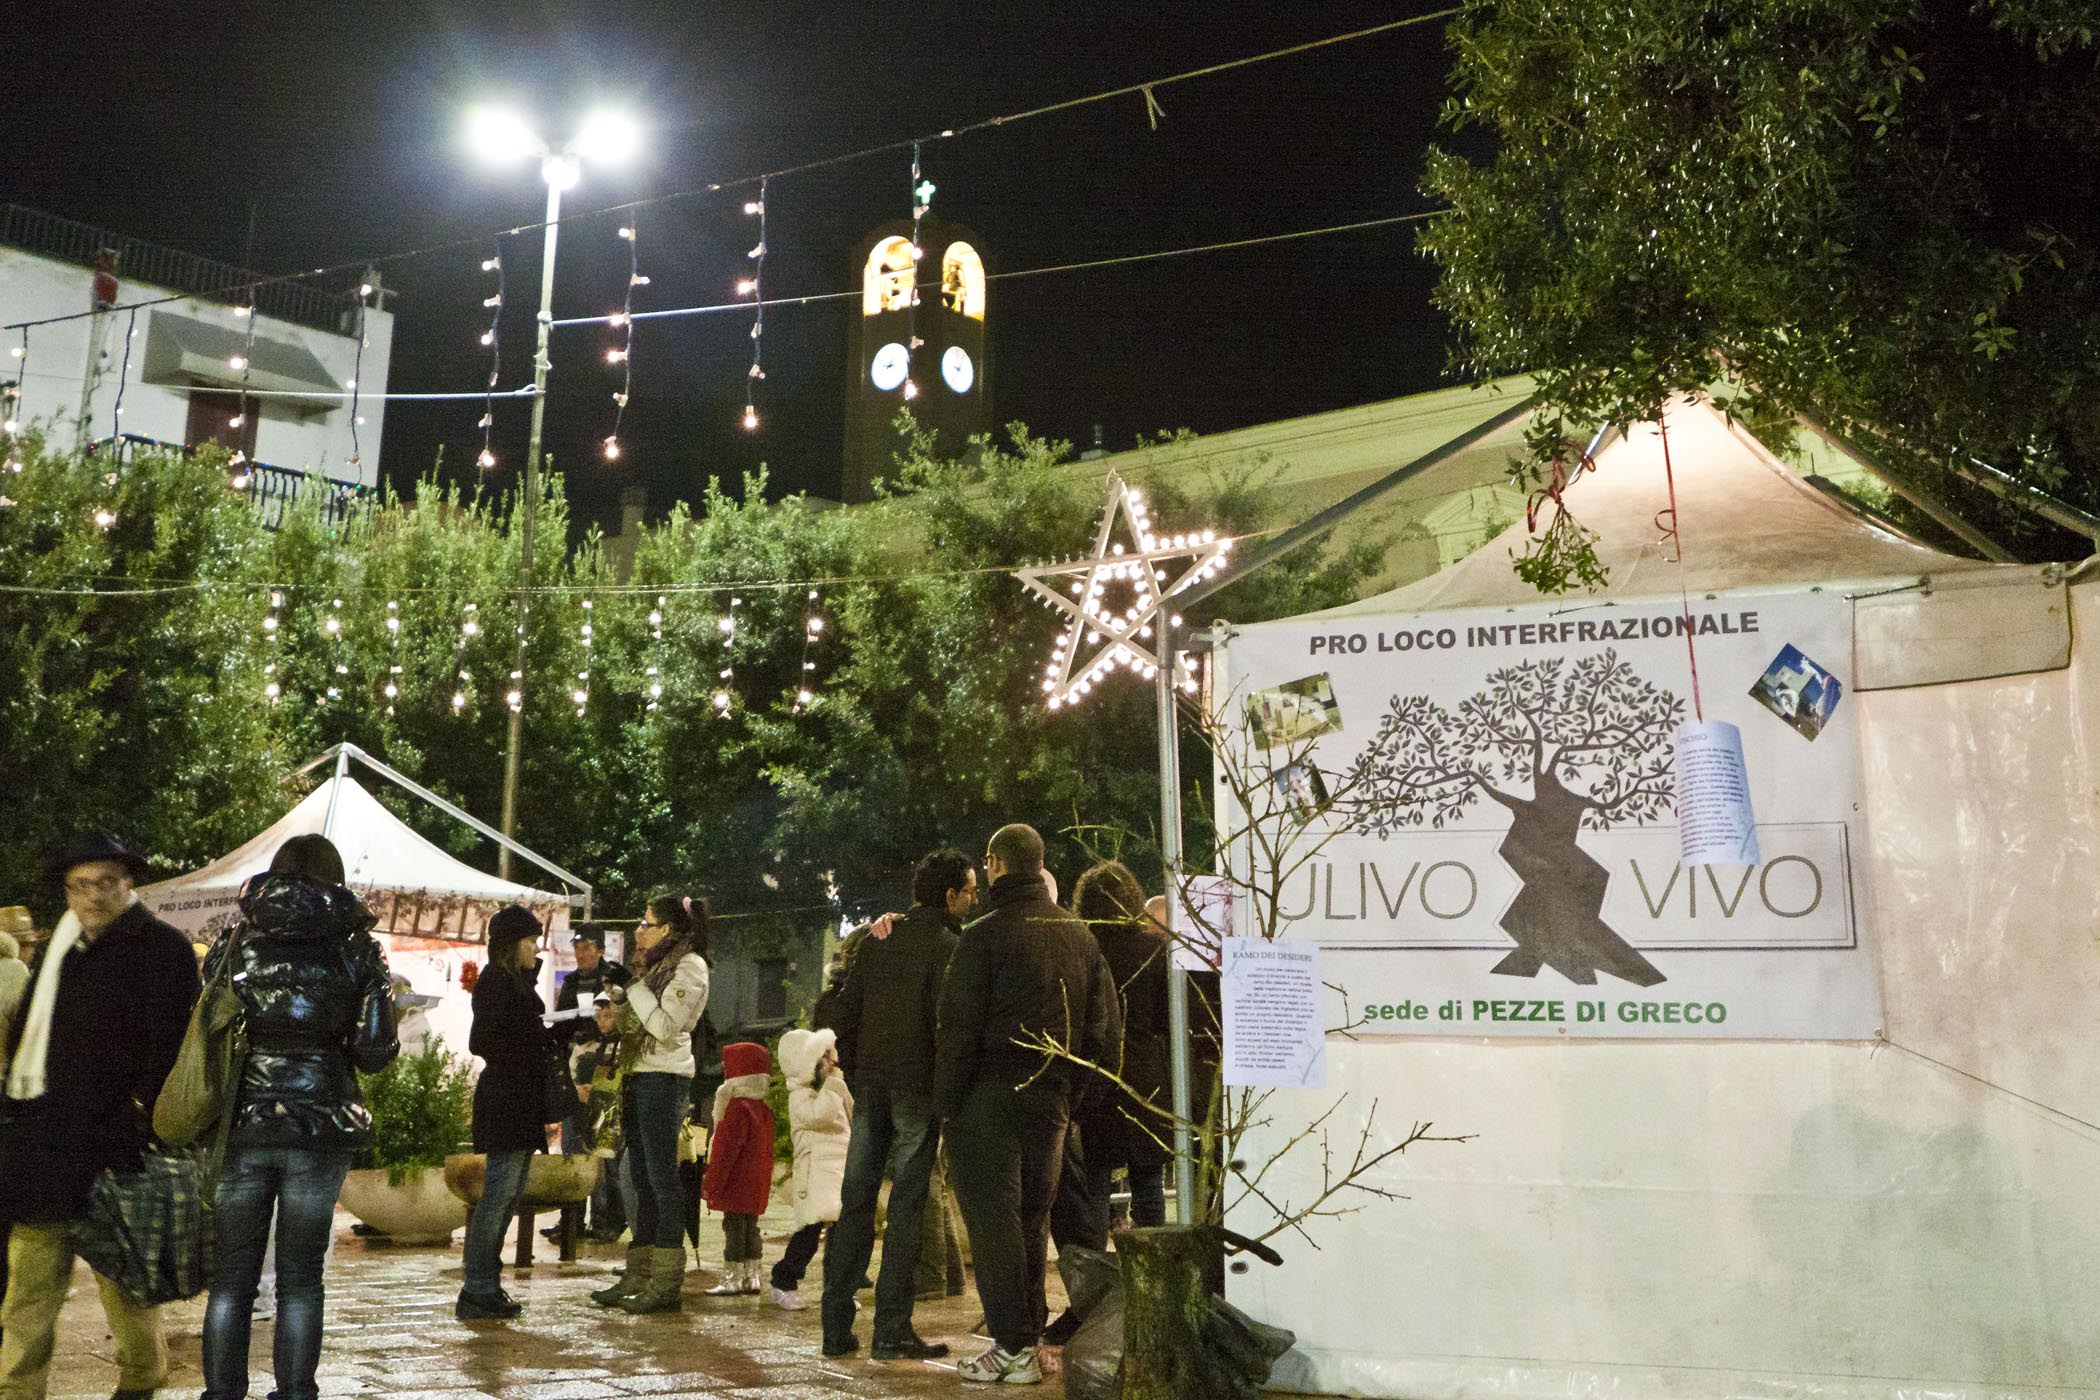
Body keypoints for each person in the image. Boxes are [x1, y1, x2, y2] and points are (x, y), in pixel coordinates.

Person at [0, 833, 201, 1400]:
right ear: (67, 891)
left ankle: (141, 1379)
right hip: (43, 1143)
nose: (92, 896)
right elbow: (28, 1034)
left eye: (105, 883)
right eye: (80, 885)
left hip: (115, 1146)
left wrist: (139, 1115)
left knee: (124, 1282)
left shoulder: (161, 948)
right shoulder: (60, 947)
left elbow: (173, 1046)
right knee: (29, 1286)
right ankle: (16, 1390)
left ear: (127, 882)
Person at [199, 835, 398, 1400]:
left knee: (231, 1280)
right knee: (301, 1281)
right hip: (321, 1126)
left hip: (242, 1122)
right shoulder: (357, 949)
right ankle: (294, 1393)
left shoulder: (236, 941)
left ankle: (221, 1393)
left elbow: (209, 1023)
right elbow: (375, 1051)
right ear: (335, 880)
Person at [936, 824, 1117, 1386]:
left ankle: (1012, 1346)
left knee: (995, 1226)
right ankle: (1029, 1340)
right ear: (1039, 866)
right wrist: (1072, 1094)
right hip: (1051, 1098)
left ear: (994, 864)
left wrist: (948, 1105)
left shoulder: (983, 936)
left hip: (987, 1099)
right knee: (1032, 1221)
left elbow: (958, 1029)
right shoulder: (1078, 935)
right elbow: (1103, 1029)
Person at [820, 848, 974, 1360]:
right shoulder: (949, 947)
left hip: (872, 1085)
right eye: (969, 891)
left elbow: (844, 1013)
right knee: (907, 1207)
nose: (973, 900)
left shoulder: (878, 942)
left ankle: (835, 1327)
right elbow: (949, 1028)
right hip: (917, 1088)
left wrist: (860, 1066)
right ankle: (891, 1330)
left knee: (856, 1202)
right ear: (949, 895)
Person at [595, 895, 709, 1315]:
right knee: (641, 1178)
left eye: (646, 923)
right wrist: (619, 997)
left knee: (663, 1180)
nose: (638, 930)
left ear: (666, 929)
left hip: (665, 1078)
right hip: (639, 1075)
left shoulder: (690, 966)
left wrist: (634, 987)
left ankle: (666, 1282)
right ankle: (637, 1275)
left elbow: (663, 1027)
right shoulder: (656, 968)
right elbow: (632, 1027)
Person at [456, 905, 561, 1321]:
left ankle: (485, 1284)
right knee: (498, 1197)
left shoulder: (512, 981)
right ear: (512, 943)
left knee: (508, 1195)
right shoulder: (496, 983)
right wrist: (533, 1041)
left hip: (518, 1098)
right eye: (530, 941)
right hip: (506, 1098)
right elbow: (482, 1040)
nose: (536, 948)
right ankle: (478, 1287)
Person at [1072, 862, 1171, 1229]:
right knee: (1149, 1182)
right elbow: (1165, 1018)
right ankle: (1153, 1257)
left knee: (1095, 1182)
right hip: (1146, 1079)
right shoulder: (1153, 949)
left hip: (1097, 1076)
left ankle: (1095, 1258)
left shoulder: (1082, 949)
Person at [770, 1028, 851, 1310]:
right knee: (809, 1235)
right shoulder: (800, 1095)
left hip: (838, 1171)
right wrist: (835, 1085)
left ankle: (838, 1290)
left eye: (830, 1056)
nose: (829, 1063)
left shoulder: (830, 1088)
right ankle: (783, 1281)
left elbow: (850, 1115)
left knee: (841, 1238)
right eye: (822, 1058)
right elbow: (820, 1116)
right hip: (815, 1175)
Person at [700, 1041, 774, 1297]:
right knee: (751, 1227)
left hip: (735, 1181)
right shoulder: (762, 1109)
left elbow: (725, 1150)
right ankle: (753, 1277)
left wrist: (711, 1182)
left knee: (733, 1228)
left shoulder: (736, 1108)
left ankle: (731, 1278)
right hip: (755, 1182)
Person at [570, 995, 627, 1242]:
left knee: (612, 1171)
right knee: (596, 1170)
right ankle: (596, 1221)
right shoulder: (592, 1046)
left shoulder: (624, 1046)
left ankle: (613, 1222)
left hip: (614, 1117)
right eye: (599, 1016)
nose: (603, 1021)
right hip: (594, 1115)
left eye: (608, 1016)